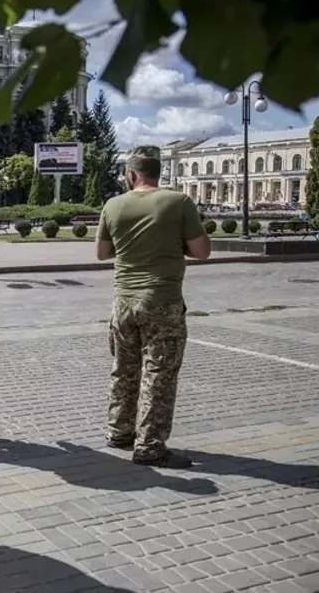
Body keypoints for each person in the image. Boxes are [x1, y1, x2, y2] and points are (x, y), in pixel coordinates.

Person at [95, 145, 211, 469]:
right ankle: (149, 446)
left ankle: (119, 432)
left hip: (123, 303)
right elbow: (202, 251)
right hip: (162, 302)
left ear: (131, 175)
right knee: (159, 374)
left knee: (124, 369)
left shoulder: (113, 205)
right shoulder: (178, 202)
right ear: (157, 173)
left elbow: (102, 253)